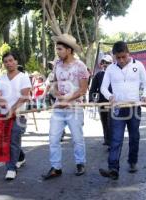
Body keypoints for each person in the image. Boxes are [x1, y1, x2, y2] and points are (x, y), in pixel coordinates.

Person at [99, 41, 146, 180]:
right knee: (116, 139)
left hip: (134, 107)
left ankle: (132, 161)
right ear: (114, 56)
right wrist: (110, 97)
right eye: (118, 58)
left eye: (123, 57)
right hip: (117, 108)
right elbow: (103, 88)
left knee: (134, 136)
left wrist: (145, 97)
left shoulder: (138, 65)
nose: (121, 60)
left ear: (129, 53)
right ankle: (113, 169)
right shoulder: (110, 69)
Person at [42, 34, 89, 180]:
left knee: (77, 138)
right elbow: (55, 83)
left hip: (74, 108)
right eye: (57, 49)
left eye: (60, 49)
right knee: (53, 138)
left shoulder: (80, 66)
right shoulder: (57, 64)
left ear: (69, 50)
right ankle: (56, 167)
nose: (58, 52)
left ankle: (80, 163)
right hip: (58, 107)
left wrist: (67, 100)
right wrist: (56, 94)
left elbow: (83, 89)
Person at [0, 52, 32, 180]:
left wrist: (13, 109)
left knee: (13, 139)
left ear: (16, 61)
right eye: (6, 61)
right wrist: (2, 102)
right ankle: (20, 157)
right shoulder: (2, 78)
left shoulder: (23, 77)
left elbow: (25, 96)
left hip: (18, 115)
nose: (8, 63)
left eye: (11, 60)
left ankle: (11, 168)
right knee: (8, 140)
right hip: (4, 115)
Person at [89, 55, 113, 147]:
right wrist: (91, 100)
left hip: (114, 102)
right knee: (105, 121)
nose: (105, 64)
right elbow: (93, 89)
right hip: (102, 102)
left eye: (107, 63)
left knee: (112, 121)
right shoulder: (98, 75)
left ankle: (113, 141)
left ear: (112, 63)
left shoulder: (115, 74)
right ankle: (107, 139)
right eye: (103, 63)